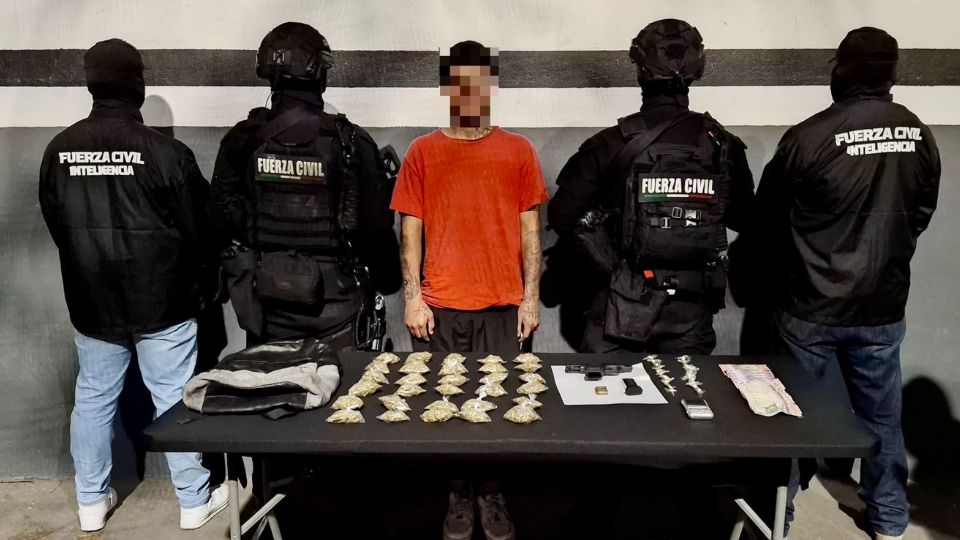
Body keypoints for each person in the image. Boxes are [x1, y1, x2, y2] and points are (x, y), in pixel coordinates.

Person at [753, 27, 940, 540]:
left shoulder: (809, 136)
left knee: (791, 414)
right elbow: (921, 212)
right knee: (882, 416)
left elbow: (767, 220)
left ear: (842, 69)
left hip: (809, 305)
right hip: (882, 303)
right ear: (891, 74)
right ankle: (890, 518)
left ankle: (777, 515)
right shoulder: (919, 134)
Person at [38, 38, 227, 532]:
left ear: (90, 84)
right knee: (173, 396)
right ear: (138, 84)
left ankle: (90, 504)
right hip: (163, 303)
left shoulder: (58, 150)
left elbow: (58, 226)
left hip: (93, 304)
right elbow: (201, 232)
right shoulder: (166, 153)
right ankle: (193, 501)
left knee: (94, 399)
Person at [391, 40, 548, 540]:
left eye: (478, 82)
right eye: (460, 82)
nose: (470, 92)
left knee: (501, 406)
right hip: (441, 308)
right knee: (446, 406)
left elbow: (531, 232)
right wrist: (412, 297)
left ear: (490, 87)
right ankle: (458, 494)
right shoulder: (422, 151)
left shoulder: (518, 150)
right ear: (448, 88)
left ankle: (492, 495)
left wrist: (530, 298)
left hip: (504, 306)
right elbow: (409, 232)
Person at [548, 19, 754, 355]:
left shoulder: (610, 144)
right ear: (698, 69)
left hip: (619, 308)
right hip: (692, 312)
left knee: (607, 391)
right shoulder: (723, 146)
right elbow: (744, 219)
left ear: (640, 71)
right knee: (686, 390)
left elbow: (561, 216)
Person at [209, 22, 400, 348]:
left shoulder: (242, 141)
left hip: (267, 313)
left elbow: (219, 220)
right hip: (340, 314)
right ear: (319, 74)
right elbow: (376, 230)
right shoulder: (351, 142)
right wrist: (389, 281)